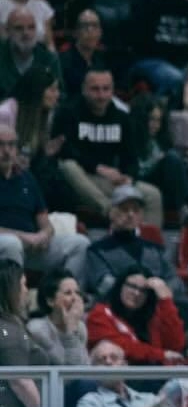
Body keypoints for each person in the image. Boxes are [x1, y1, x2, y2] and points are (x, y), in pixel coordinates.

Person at [54, 67, 164, 226]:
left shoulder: (122, 118)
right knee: (68, 166)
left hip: (108, 182)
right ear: (84, 90)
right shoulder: (68, 112)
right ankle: (111, 211)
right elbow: (65, 151)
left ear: (112, 90)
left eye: (106, 89)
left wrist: (128, 178)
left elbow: (131, 157)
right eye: (95, 89)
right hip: (80, 179)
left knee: (152, 195)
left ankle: (149, 244)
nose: (101, 95)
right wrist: (97, 168)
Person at [0, 122, 87, 277]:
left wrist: (43, 235)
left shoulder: (27, 178)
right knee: (11, 244)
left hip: (32, 246)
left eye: (11, 145)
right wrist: (23, 237)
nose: (6, 151)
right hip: (6, 245)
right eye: (0, 145)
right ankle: (12, 299)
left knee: (79, 244)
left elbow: (46, 224)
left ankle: (69, 295)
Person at [85, 268, 185, 366]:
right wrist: (161, 355)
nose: (136, 293)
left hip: (157, 374)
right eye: (132, 286)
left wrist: (165, 301)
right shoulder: (99, 314)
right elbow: (124, 347)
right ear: (120, 286)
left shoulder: (153, 316)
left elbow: (176, 345)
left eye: (143, 290)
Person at [0, 259, 40, 407]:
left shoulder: (13, 326)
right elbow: (21, 383)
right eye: (23, 284)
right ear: (10, 289)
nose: (26, 290)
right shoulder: (7, 330)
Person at [76, 339, 159, 407]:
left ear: (125, 365)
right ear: (93, 371)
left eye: (114, 358)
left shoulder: (150, 399)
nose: (108, 362)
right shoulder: (90, 403)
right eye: (101, 360)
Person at [26, 270, 88, 365]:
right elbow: (68, 372)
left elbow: (84, 367)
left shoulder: (80, 327)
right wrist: (70, 332)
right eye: (68, 293)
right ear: (50, 301)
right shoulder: (37, 329)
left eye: (77, 293)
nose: (75, 298)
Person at [0, 7, 60, 101]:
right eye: (19, 28)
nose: (26, 33)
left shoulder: (49, 58)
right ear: (8, 31)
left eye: (31, 27)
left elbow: (61, 95)